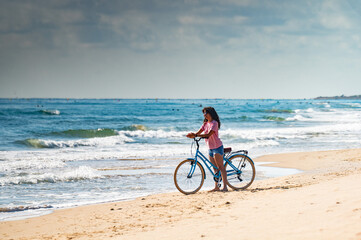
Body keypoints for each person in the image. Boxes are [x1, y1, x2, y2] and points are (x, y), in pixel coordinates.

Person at [186, 107, 228, 192]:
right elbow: (198, 133)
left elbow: (208, 134)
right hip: (210, 148)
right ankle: (216, 187)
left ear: (211, 113)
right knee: (215, 168)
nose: (204, 115)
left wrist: (197, 135)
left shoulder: (214, 123)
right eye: (204, 113)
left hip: (217, 147)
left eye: (206, 113)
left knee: (221, 167)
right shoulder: (205, 123)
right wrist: (193, 135)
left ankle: (225, 187)